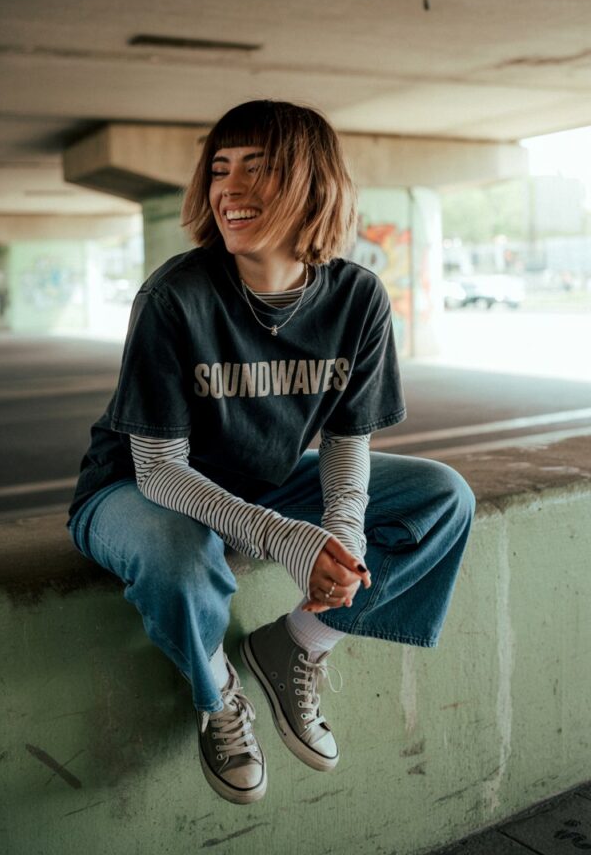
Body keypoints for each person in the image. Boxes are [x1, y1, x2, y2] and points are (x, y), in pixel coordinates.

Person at [67, 100, 475, 806]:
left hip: (267, 479)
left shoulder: (358, 299)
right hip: (134, 488)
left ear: (312, 185)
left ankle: (299, 643)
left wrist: (340, 543)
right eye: (221, 171)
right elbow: (159, 467)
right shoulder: (174, 297)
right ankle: (218, 692)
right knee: (177, 551)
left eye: (257, 170)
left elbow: (350, 449)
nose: (230, 190)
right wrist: (283, 537)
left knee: (443, 498)